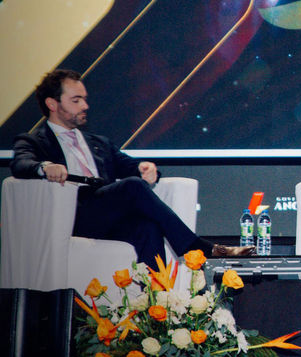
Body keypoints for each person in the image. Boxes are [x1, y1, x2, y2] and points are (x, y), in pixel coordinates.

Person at [10, 69, 254, 266]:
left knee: (148, 227)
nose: (85, 106)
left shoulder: (97, 143)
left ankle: (157, 310)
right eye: (76, 100)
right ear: (52, 104)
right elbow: (21, 164)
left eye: (84, 98)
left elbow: (130, 167)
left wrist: (148, 169)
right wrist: (45, 167)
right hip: (72, 215)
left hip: (106, 216)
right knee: (132, 187)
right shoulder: (34, 141)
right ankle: (198, 248)